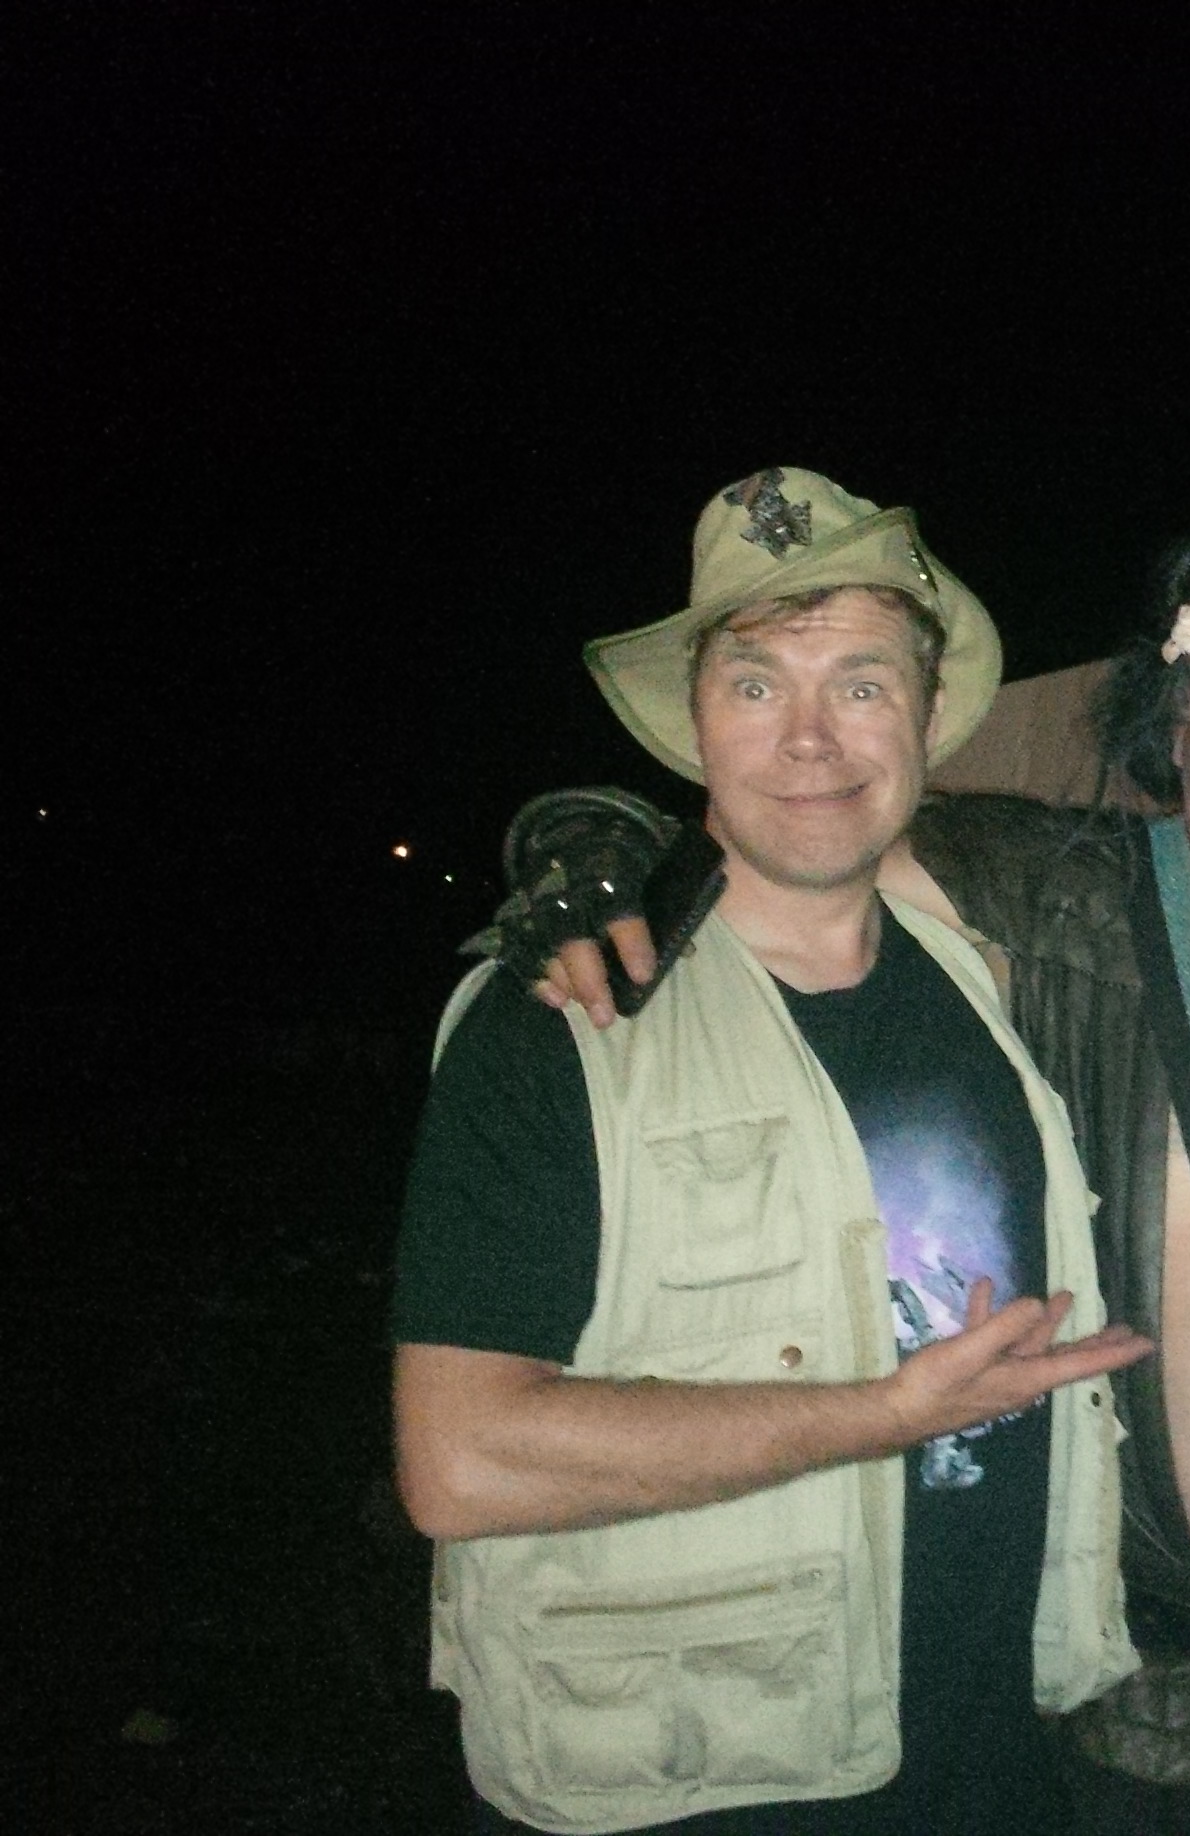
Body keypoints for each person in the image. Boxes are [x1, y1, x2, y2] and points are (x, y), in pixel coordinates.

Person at [496, 520, 1190, 1831]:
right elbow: (793, 827)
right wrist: (599, 842)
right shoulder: (1044, 897)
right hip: (1133, 1706)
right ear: (1172, 714)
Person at [392, 466, 1151, 1834]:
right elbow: (462, 1461)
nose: (811, 739)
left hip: (984, 1756)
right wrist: (885, 1416)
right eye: (756, 685)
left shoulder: (980, 977)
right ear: (693, 724)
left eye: (860, 683)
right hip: (690, 1781)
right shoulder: (561, 1021)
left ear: (925, 713)